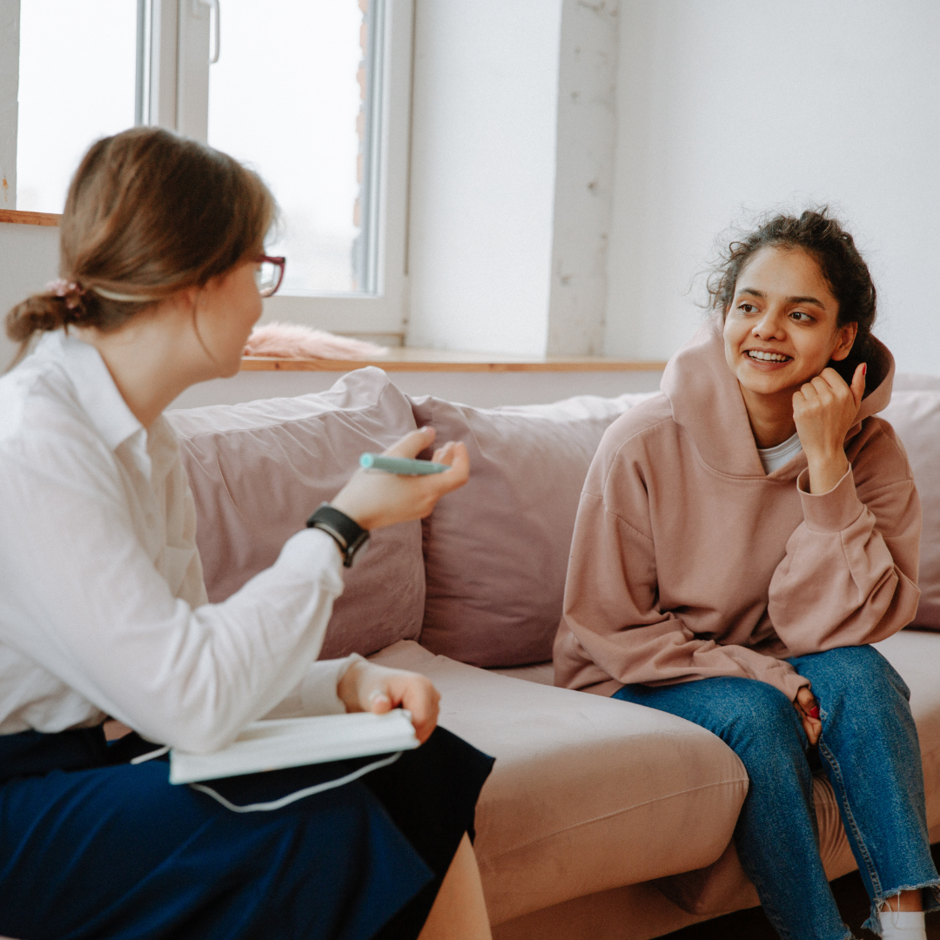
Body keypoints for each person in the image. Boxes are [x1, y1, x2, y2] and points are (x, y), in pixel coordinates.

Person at [0, 127, 494, 940]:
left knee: (413, 759)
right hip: (18, 802)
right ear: (196, 279)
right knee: (315, 829)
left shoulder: (146, 436)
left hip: (92, 763)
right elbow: (191, 703)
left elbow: (188, 661)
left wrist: (340, 685)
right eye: (259, 268)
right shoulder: (38, 443)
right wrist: (343, 522)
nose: (265, 298)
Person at [554, 210, 939, 940]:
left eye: (801, 315)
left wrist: (827, 470)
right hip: (638, 674)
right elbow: (609, 627)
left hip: (774, 660)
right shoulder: (639, 443)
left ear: (842, 339)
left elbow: (847, 628)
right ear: (723, 317)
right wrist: (769, 678)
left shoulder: (871, 452)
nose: (766, 330)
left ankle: (907, 926)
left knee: (861, 673)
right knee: (759, 717)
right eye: (749, 306)